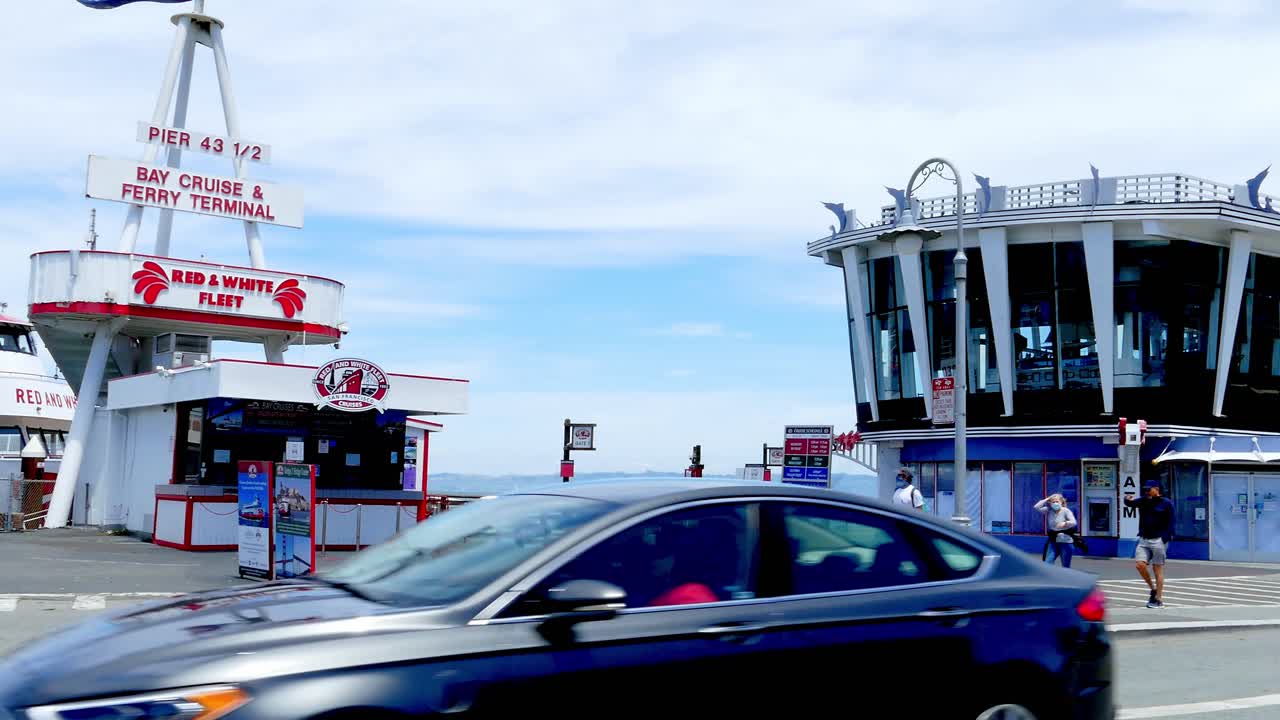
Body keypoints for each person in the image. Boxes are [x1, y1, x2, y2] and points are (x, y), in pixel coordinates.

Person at [1124, 480, 1174, 608]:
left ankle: (1159, 599)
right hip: (1144, 539)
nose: (1146, 491)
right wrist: (1126, 499)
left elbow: (1171, 522)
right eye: (1145, 489)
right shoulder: (1143, 500)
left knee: (1157, 569)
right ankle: (1153, 589)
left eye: (1149, 489)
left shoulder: (1166, 503)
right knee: (1140, 565)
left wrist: (1165, 538)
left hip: (1158, 540)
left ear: (1156, 489)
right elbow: (1130, 503)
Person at [1034, 494, 1078, 568]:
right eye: (1053, 502)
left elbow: (1074, 522)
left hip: (1065, 541)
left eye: (1057, 501)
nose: (1055, 503)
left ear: (1061, 502)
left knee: (1065, 565)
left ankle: (1065, 575)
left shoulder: (1066, 511)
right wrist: (1048, 499)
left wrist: (1065, 523)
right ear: (1050, 503)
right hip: (1053, 540)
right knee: (1048, 562)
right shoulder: (1049, 510)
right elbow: (1036, 507)